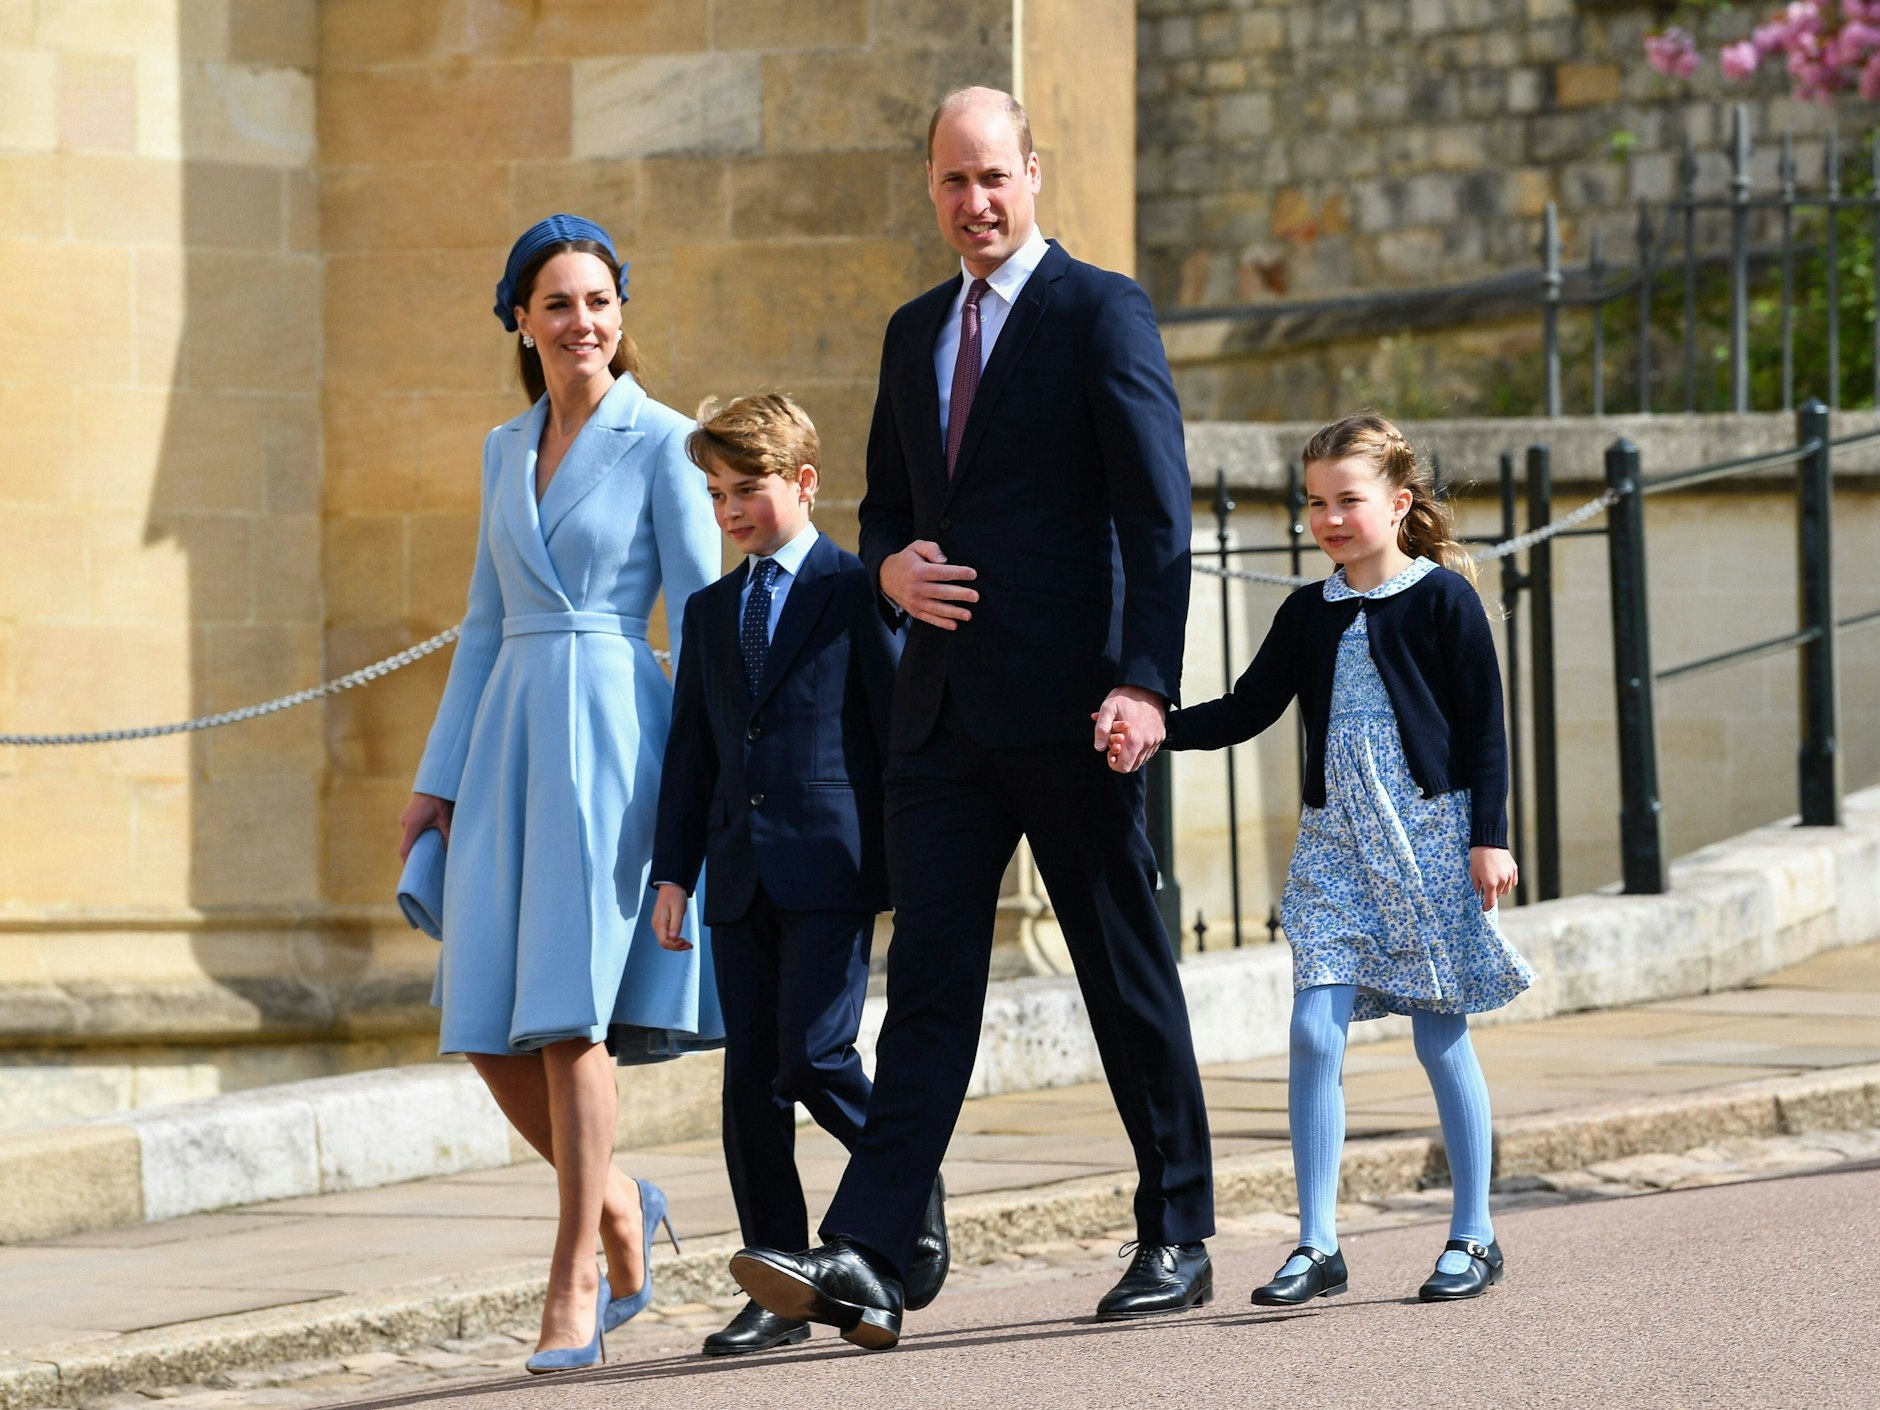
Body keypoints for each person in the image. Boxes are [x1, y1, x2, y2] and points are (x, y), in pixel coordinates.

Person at [728, 87, 1216, 1351]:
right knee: (928, 994)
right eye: (953, 181)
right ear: (932, 190)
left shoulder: (1099, 310)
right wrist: (888, 569)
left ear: (1031, 175)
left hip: (1072, 712)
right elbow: (887, 509)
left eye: (993, 176)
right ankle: (871, 1253)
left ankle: (1175, 1231)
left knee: (1121, 974)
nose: (974, 201)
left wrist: (1142, 682)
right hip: (938, 721)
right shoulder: (910, 332)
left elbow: (1155, 516)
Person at [395, 215, 723, 1373]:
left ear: (619, 315)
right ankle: (623, 1202)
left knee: (569, 1016)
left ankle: (574, 1274)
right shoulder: (502, 448)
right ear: (521, 323)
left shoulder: (666, 441)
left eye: (598, 301)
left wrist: (705, 783)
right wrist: (435, 784)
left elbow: (702, 622)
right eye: (558, 305)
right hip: (505, 744)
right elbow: (482, 626)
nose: (582, 322)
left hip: (613, 742)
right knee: (486, 1020)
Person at [1111, 411, 1535, 1305]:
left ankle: (1474, 1234)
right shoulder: (1307, 612)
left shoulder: (1444, 599)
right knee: (1312, 1030)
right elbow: (1248, 707)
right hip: (1335, 842)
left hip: (1428, 836)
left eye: (1348, 500)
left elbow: (1485, 728)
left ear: (1399, 503)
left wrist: (1490, 838)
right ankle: (1317, 1244)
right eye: (1315, 503)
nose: (1330, 519)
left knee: (1440, 1033)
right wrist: (1156, 729)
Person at [646, 393, 915, 1357]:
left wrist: (915, 867)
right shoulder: (710, 611)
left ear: (804, 482)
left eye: (746, 490)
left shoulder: (856, 589)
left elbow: (897, 735)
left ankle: (904, 1189)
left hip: (832, 865)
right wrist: (673, 875)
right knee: (751, 1089)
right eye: (716, 495)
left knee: (816, 1059)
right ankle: (780, 1281)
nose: (729, 512)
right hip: (736, 875)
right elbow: (692, 755)